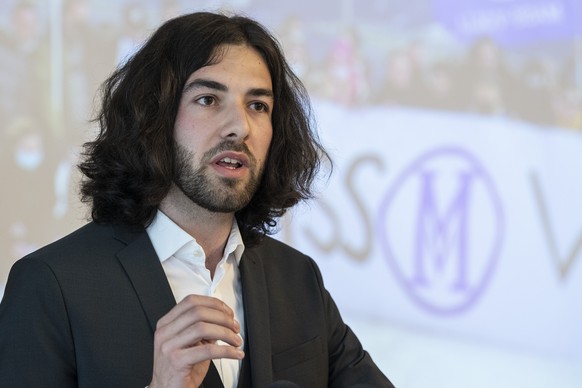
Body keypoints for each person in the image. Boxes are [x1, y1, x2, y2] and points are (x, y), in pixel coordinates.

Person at [0, 11, 393, 388]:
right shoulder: (50, 285)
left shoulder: (297, 277)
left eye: (258, 106)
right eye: (208, 99)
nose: (239, 127)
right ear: (152, 116)